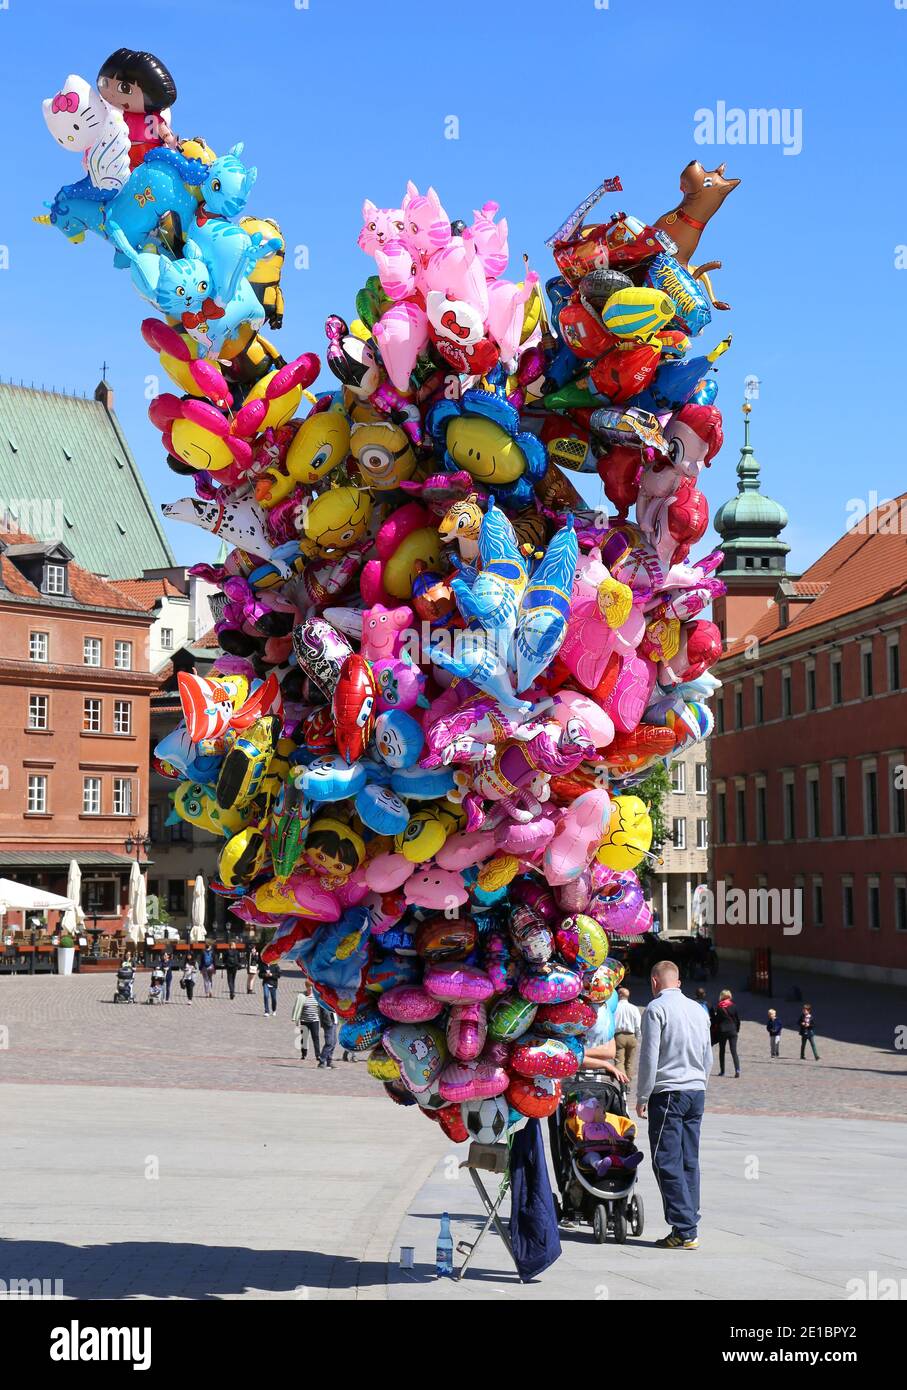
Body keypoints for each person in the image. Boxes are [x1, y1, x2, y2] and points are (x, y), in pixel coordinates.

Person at [636, 960, 712, 1250]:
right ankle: (690, 1218)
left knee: (665, 1158)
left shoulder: (656, 1009)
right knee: (689, 1158)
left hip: (669, 1092)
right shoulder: (698, 1009)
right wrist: (701, 1083)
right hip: (696, 1090)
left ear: (655, 982)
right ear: (678, 982)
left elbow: (649, 1057)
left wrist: (643, 1095)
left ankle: (684, 1227)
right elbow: (708, 1055)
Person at [613, 987, 642, 1079]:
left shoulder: (615, 1007)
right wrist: (637, 1036)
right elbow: (638, 1024)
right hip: (631, 1035)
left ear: (620, 995)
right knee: (629, 1062)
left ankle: (622, 1082)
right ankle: (628, 1082)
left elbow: (611, 1023)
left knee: (619, 1061)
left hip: (619, 1036)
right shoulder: (634, 1008)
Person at [715, 988, 741, 1077]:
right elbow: (737, 1020)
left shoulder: (719, 1007)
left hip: (722, 1031)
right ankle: (737, 1070)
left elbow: (717, 1020)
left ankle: (722, 1071)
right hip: (732, 1031)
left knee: (722, 1051)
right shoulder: (733, 1006)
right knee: (734, 1051)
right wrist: (736, 1029)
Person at [292, 982, 321, 1059]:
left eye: (312, 987)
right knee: (304, 1038)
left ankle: (318, 1054)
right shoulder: (301, 996)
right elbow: (297, 1008)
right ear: (306, 987)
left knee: (316, 1037)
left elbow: (321, 1008)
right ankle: (304, 1054)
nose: (310, 989)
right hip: (304, 1020)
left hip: (315, 1020)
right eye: (309, 987)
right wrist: (296, 1019)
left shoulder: (317, 996)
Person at [318, 1003, 337, 1069]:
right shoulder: (325, 1000)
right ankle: (321, 1062)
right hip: (329, 1023)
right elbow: (325, 1012)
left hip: (334, 1022)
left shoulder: (333, 999)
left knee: (334, 1042)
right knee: (329, 1043)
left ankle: (329, 1061)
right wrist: (329, 1023)